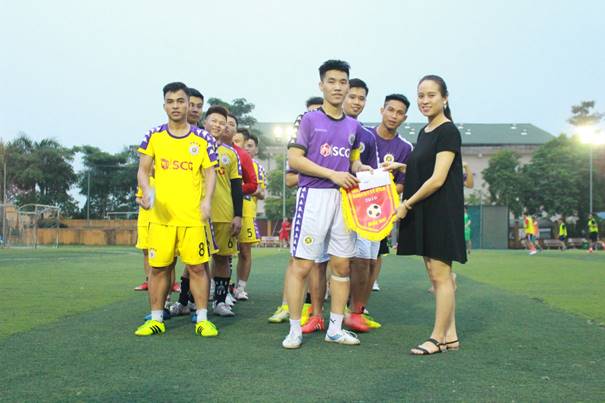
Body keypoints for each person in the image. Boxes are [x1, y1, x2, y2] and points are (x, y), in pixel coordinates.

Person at [282, 59, 371, 349]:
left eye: (343, 82)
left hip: (344, 200)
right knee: (302, 265)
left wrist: (361, 168)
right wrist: (332, 174)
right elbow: (295, 160)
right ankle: (294, 329)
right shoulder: (308, 119)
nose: (337, 87)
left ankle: (335, 328)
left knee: (342, 265)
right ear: (321, 85)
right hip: (314, 197)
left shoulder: (353, 125)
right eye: (331, 81)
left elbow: (353, 160)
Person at [134, 82, 218, 337]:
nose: (176, 106)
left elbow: (210, 173)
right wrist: (145, 192)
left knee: (197, 268)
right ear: (164, 106)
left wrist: (207, 201)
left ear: (188, 104)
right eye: (170, 102)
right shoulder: (154, 136)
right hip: (161, 218)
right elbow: (143, 170)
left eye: (180, 101)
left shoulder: (202, 139)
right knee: (159, 268)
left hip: (192, 217)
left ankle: (202, 319)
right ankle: (156, 319)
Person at [395, 75, 466, 355]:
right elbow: (425, 166)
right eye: (421, 95)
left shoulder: (448, 131)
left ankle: (437, 339)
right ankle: (451, 336)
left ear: (444, 99)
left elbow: (437, 179)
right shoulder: (425, 131)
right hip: (426, 209)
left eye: (431, 95)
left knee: (441, 276)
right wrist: (401, 166)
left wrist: (406, 204)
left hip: (440, 211)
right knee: (435, 275)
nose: (424, 101)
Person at [368, 94, 414, 299]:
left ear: (404, 118)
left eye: (399, 113)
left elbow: (402, 184)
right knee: (345, 253)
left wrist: (378, 190)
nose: (394, 115)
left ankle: (362, 298)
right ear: (382, 110)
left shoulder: (405, 148)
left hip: (380, 208)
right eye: (391, 110)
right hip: (354, 203)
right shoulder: (364, 135)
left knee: (375, 253)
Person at [206, 106, 243, 317]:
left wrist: (238, 215)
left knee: (222, 259)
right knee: (196, 261)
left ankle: (219, 301)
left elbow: (237, 187)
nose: (218, 126)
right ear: (205, 123)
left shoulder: (230, 154)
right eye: (214, 121)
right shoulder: (195, 147)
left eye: (222, 123)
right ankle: (187, 300)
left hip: (224, 215)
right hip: (198, 215)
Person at [234, 133, 266, 300]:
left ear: (256, 149)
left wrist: (250, 189)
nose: (246, 148)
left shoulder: (257, 168)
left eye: (250, 145)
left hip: (247, 213)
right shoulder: (230, 159)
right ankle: (218, 288)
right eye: (244, 144)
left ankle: (240, 288)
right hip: (228, 211)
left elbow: (262, 193)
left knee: (245, 252)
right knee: (222, 254)